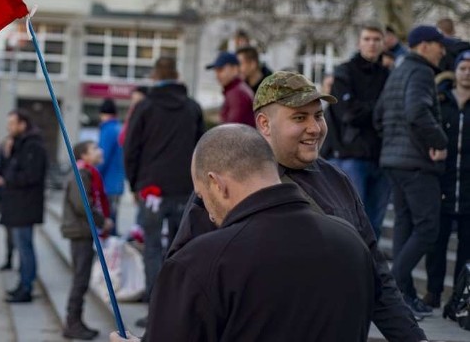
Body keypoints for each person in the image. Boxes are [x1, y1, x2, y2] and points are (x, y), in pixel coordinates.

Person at [168, 71, 428, 342]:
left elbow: (377, 278)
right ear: (264, 124)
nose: (315, 128)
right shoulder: (228, 184)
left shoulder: (337, 181)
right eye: (299, 117)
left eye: (318, 115)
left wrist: (414, 339)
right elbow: (185, 279)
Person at [136, 124, 376, 341]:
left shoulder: (198, 263)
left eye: (202, 197)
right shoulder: (351, 243)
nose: (208, 213)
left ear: (217, 184)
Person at [123, 56, 204, 326]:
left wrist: (134, 184)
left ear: (155, 76)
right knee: (180, 249)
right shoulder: (192, 107)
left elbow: (131, 148)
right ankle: (178, 310)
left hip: (151, 191)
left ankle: (155, 310)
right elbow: (201, 149)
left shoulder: (145, 107)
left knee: (152, 248)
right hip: (184, 190)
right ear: (178, 74)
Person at [375, 25, 449, 318]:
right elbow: (417, 112)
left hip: (394, 161)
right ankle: (391, 291)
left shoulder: (399, 70)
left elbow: (379, 116)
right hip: (417, 164)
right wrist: (438, 142)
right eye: (438, 44)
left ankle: (403, 295)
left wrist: (395, 142)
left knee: (405, 227)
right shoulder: (420, 72)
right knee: (429, 228)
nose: (443, 50)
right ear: (424, 46)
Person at [323, 23, 391, 238]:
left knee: (375, 225)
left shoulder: (387, 75)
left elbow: (392, 110)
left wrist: (368, 109)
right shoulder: (344, 71)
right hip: (351, 155)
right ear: (359, 42)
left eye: (376, 39)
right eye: (367, 39)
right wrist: (378, 108)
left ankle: (370, 270)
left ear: (383, 43)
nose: (371, 44)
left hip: (381, 156)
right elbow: (348, 113)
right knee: (352, 222)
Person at [424, 49, 470, 310]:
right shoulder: (441, 100)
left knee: (466, 248)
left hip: (468, 186)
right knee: (436, 244)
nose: (467, 72)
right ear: (456, 71)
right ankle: (433, 291)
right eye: (463, 67)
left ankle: (459, 298)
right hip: (442, 182)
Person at [60, 141, 113, 340]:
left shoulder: (87, 173)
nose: (100, 151)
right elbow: (83, 205)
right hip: (80, 232)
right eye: (94, 149)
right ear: (84, 155)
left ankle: (76, 320)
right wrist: (102, 221)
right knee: (80, 279)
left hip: (83, 232)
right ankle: (72, 323)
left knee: (82, 278)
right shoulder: (81, 174)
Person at [0, 109, 47, 303]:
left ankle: (26, 287)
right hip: (17, 205)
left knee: (25, 247)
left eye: (12, 124)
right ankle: (22, 284)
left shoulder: (33, 146)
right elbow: (6, 168)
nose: (9, 128)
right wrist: (7, 155)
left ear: (22, 124)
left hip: (25, 206)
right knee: (21, 247)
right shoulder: (18, 145)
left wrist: (6, 180)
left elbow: (31, 176)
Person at [205, 51, 255, 126]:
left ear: (234, 69)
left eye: (221, 70)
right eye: (216, 71)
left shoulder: (237, 93)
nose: (217, 75)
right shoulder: (236, 89)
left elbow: (230, 130)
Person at [97, 98, 124, 235]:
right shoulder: (119, 129)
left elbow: (102, 157)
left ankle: (108, 253)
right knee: (113, 217)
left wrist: (94, 175)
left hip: (106, 182)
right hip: (117, 182)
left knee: (107, 220)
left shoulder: (107, 130)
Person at [0, 136, 15, 271]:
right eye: (7, 145)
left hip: (16, 202)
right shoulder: (2, 160)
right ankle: (9, 259)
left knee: (14, 234)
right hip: (4, 201)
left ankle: (13, 258)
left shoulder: (17, 160)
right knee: (8, 233)